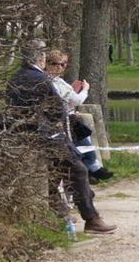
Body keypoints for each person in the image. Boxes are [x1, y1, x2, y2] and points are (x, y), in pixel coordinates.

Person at [7, 40, 117, 233]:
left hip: (21, 135)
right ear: (41, 58)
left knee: (55, 174)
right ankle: (91, 219)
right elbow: (56, 109)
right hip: (47, 136)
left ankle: (60, 212)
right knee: (78, 170)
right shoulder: (41, 79)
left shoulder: (16, 78)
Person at [43, 50, 113, 182]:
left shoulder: (56, 81)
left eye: (64, 64)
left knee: (83, 145)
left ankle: (91, 171)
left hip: (67, 117)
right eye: (58, 64)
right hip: (65, 121)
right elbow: (77, 100)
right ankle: (93, 170)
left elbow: (66, 98)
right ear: (49, 64)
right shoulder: (52, 82)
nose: (62, 67)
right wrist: (85, 90)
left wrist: (73, 90)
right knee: (84, 146)